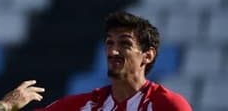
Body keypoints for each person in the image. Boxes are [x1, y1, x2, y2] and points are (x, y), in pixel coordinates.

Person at [36, 11, 192, 111]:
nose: (113, 51)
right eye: (110, 43)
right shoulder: (88, 105)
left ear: (148, 55)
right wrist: (10, 105)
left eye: (125, 44)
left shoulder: (167, 105)